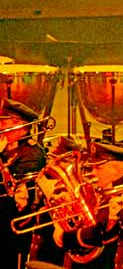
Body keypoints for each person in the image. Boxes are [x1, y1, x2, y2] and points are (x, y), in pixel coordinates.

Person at [39, 141, 123, 269]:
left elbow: (98, 230)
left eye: (98, 168)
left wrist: (65, 236)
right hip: (81, 257)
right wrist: (60, 218)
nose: (93, 172)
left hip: (102, 262)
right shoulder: (95, 190)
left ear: (116, 169)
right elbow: (79, 220)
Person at [0, 97, 47, 269]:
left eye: (4, 124)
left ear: (20, 126)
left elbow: (16, 196)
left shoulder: (32, 154)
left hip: (13, 225)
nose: (0, 128)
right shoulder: (8, 147)